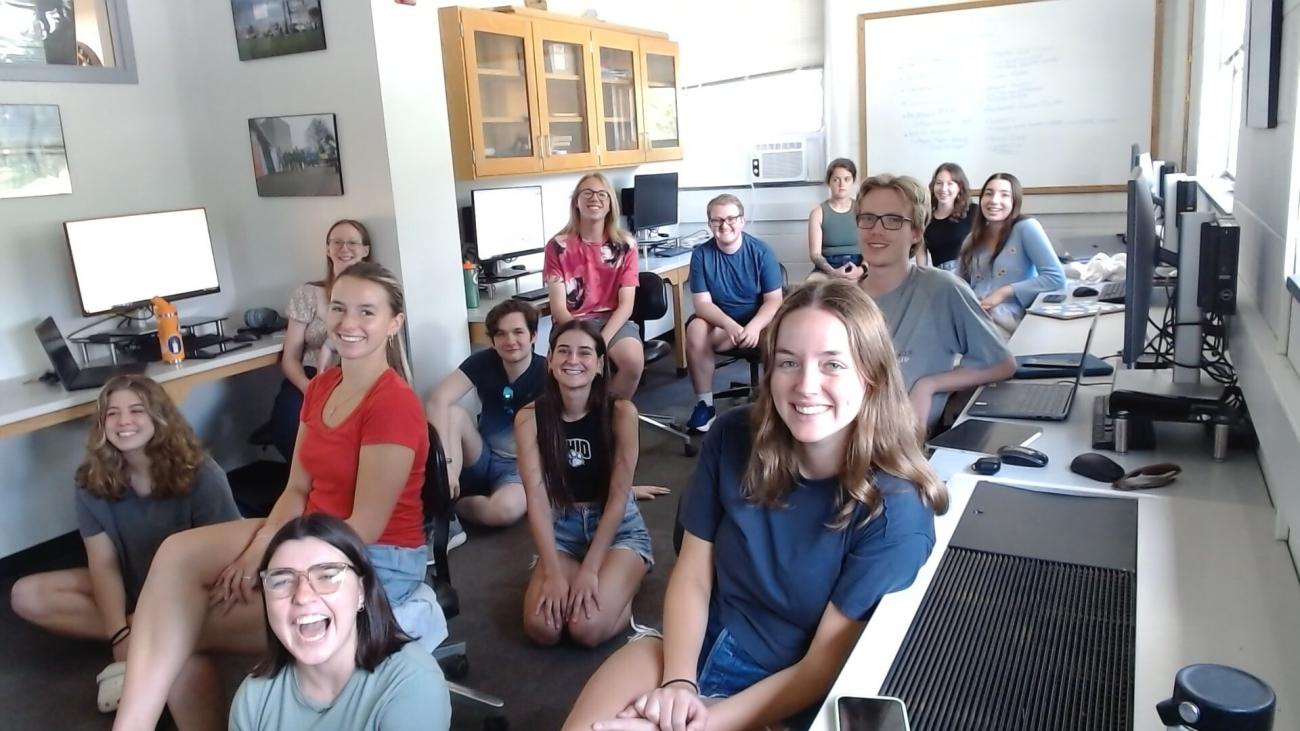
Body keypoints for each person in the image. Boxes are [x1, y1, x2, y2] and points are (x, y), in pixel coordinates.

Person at [564, 280, 948, 731]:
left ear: (871, 375)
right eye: (788, 362)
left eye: (832, 364)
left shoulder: (896, 512)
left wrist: (697, 725)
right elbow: (691, 576)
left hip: (786, 693)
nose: (806, 385)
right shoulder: (732, 436)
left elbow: (821, 666)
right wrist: (679, 687)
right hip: (693, 650)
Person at [111, 262, 441, 731]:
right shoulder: (323, 385)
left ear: (393, 323)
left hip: (373, 558)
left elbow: (362, 526)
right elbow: (296, 489)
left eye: (367, 312)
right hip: (308, 530)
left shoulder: (393, 403)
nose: (349, 324)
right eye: (339, 309)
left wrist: (276, 564)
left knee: (177, 631)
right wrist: (262, 547)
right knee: (175, 556)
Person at [9, 374, 241, 720]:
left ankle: (161, 640)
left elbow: (228, 556)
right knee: (25, 594)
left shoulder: (202, 475)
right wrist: (119, 633)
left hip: (194, 599)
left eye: (136, 410)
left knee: (185, 661)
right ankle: (144, 636)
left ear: (159, 418)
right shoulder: (90, 481)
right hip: (136, 587)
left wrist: (161, 620)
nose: (124, 422)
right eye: (112, 414)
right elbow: (102, 564)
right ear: (102, 424)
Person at [229, 514, 451, 731]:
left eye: (327, 576)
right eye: (282, 581)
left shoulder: (413, 683)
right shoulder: (253, 699)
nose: (303, 596)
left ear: (361, 592)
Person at [516, 319, 653, 649]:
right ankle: (590, 579)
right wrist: (550, 570)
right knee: (543, 628)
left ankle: (621, 587)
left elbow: (619, 496)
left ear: (600, 363)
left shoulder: (622, 412)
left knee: (584, 629)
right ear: (549, 361)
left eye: (584, 353)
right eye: (563, 351)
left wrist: (591, 569)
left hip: (618, 528)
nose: (572, 360)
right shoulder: (529, 417)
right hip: (562, 526)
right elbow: (535, 499)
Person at [856, 173, 1015, 433]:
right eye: (868, 218)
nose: (876, 229)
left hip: (901, 449)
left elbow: (1001, 363)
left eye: (893, 220)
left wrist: (929, 385)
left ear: (917, 232)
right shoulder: (843, 301)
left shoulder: (943, 290)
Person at [425, 299, 545, 533]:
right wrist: (446, 465)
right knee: (452, 413)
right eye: (501, 334)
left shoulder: (547, 374)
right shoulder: (484, 362)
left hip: (521, 467)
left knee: (503, 511)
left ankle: (452, 508)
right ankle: (443, 493)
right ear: (492, 340)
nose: (510, 341)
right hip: (482, 455)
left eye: (518, 332)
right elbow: (437, 400)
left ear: (533, 336)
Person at [269, 219, 373, 463]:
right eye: (336, 242)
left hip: (352, 378)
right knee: (286, 422)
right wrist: (309, 388)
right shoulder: (307, 293)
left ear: (365, 250)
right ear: (327, 249)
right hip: (310, 378)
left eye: (351, 243)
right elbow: (290, 357)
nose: (343, 248)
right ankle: (303, 487)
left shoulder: (375, 294)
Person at [683, 194, 784, 433]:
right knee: (696, 329)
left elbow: (774, 300)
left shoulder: (762, 252)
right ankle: (704, 406)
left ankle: (776, 404)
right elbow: (702, 305)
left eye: (730, 218)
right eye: (716, 220)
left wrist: (754, 327)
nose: (724, 225)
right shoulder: (701, 255)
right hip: (723, 326)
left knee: (782, 333)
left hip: (759, 324)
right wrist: (730, 325)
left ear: (742, 221)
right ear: (709, 225)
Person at [544, 173, 643, 401]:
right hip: (572, 322)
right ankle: (577, 415)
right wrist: (584, 340)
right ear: (576, 202)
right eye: (586, 193)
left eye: (602, 194)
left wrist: (600, 342)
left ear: (610, 204)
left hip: (613, 322)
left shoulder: (626, 246)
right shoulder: (557, 246)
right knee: (564, 368)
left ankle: (606, 414)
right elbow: (559, 308)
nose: (594, 199)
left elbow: (626, 305)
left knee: (633, 361)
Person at [957, 172, 1067, 334]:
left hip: (1008, 321)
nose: (994, 200)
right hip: (974, 314)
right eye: (989, 193)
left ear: (1014, 201)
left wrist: (1004, 292)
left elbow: (1056, 278)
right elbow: (959, 279)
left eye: (1004, 195)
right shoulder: (972, 238)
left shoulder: (1026, 227)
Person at [806, 158, 864, 281]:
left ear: (853, 181)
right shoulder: (818, 213)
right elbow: (815, 254)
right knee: (810, 286)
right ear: (829, 182)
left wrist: (861, 269)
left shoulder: (862, 210)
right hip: (827, 266)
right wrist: (832, 272)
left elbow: (871, 247)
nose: (841, 184)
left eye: (846, 179)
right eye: (836, 179)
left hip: (858, 264)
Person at [923, 162, 976, 271]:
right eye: (939, 183)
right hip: (941, 277)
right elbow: (921, 258)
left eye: (950, 183)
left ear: (959, 187)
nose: (943, 188)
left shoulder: (974, 211)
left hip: (970, 274)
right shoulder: (925, 217)